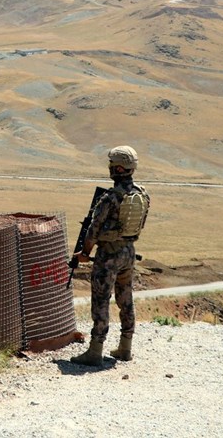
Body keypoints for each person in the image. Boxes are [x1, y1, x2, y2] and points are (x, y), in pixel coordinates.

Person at [70, 146, 150, 366]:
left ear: (118, 167)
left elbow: (94, 229)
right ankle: (125, 347)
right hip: (129, 252)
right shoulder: (141, 194)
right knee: (126, 298)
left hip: (108, 255)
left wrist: (85, 253)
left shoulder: (110, 197)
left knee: (101, 299)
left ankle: (95, 351)